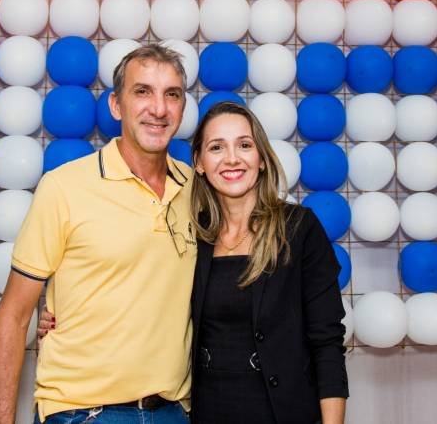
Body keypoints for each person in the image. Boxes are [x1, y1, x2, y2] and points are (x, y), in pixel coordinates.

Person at [40, 101, 349, 424]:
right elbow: (138, 290)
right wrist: (62, 313)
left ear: (261, 159)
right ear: (199, 163)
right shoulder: (192, 233)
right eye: (217, 147)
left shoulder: (298, 229)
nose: (232, 158)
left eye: (244, 145)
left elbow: (327, 343)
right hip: (206, 413)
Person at [0, 44, 196, 424]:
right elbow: (13, 316)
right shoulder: (64, 187)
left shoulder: (198, 191)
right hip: (82, 412)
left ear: (182, 108)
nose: (159, 108)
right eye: (142, 91)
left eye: (172, 95)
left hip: (173, 412)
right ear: (116, 105)